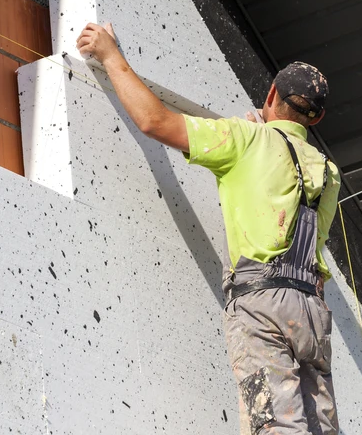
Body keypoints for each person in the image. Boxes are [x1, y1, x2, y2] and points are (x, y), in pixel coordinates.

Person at [77, 22, 341, 434]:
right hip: (310, 312)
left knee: (275, 426)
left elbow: (155, 122)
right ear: (317, 117)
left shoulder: (246, 139)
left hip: (261, 307)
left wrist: (110, 55)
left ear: (270, 94)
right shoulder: (328, 172)